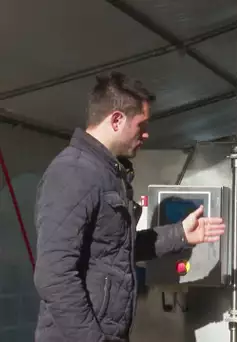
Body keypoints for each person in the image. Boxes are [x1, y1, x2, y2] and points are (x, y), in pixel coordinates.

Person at [33, 72, 226, 342]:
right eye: (141, 125)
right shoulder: (73, 173)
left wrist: (181, 234)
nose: (146, 134)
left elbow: (120, 248)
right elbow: (54, 276)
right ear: (115, 120)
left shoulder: (108, 174)